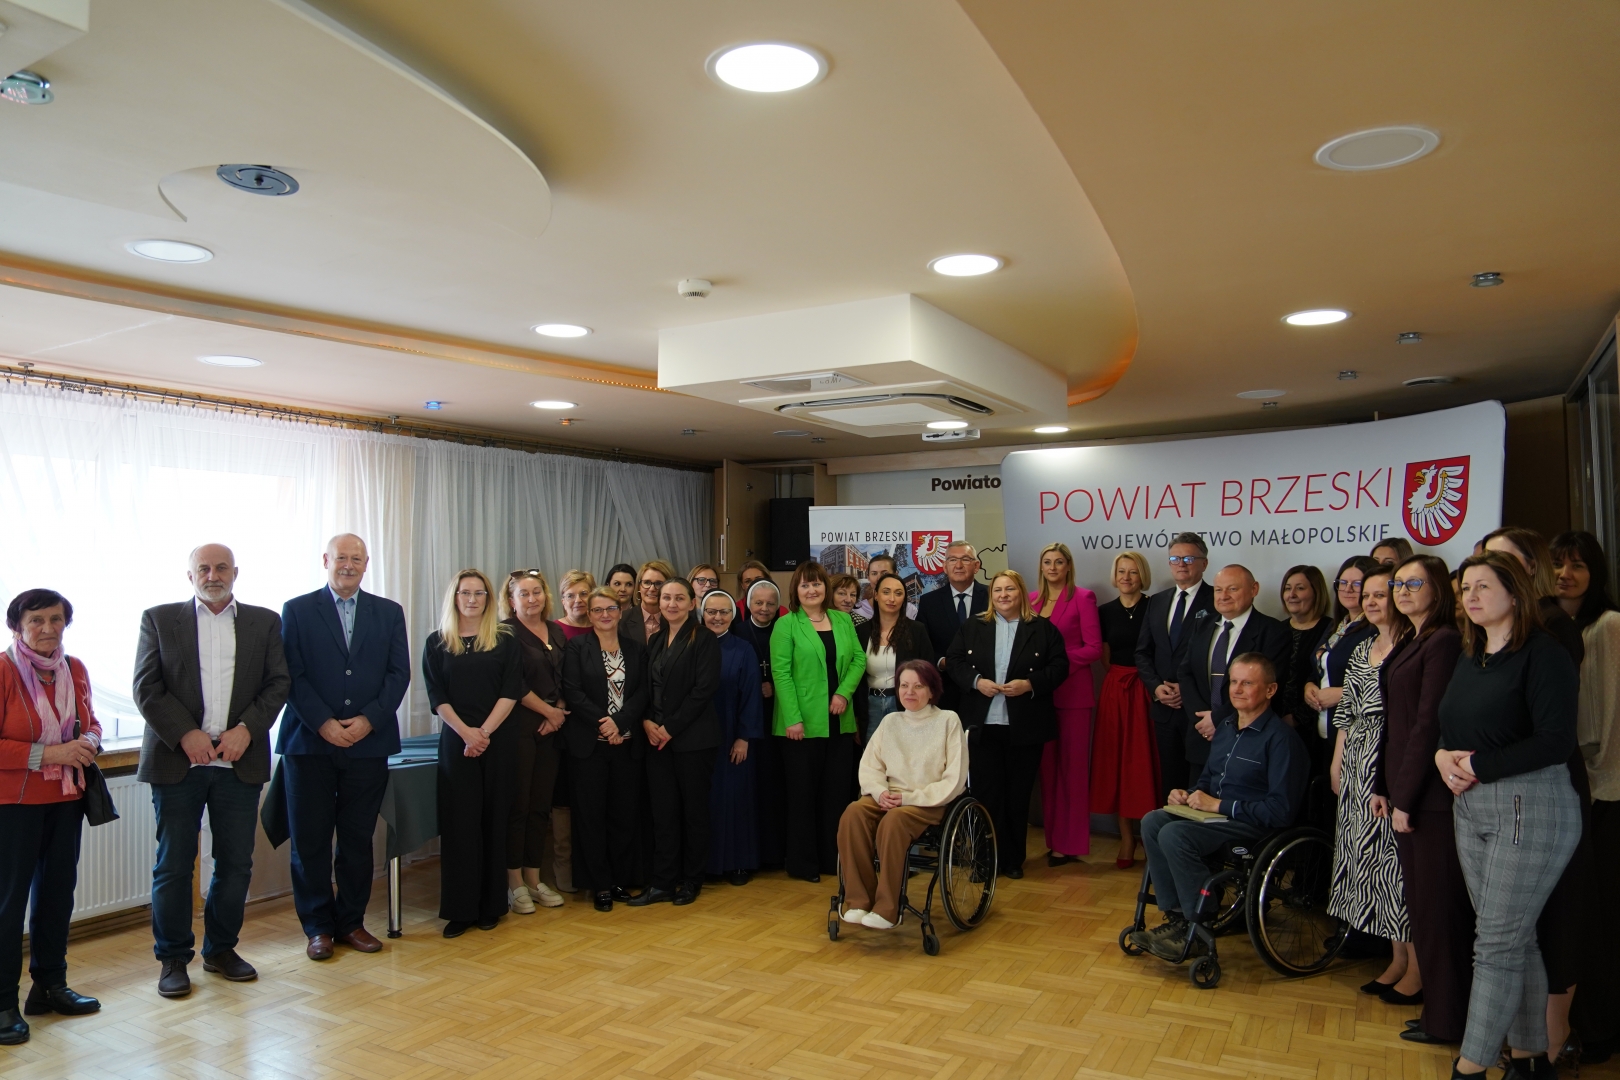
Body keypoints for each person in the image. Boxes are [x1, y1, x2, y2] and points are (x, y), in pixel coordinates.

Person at [1437, 551, 1580, 1080]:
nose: (1470, 596)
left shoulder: (1544, 654)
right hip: (1471, 807)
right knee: (1515, 940)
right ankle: (1529, 1060)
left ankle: (1470, 1067)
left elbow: (1556, 740)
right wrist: (1441, 756)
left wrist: (1476, 765)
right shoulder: (1471, 654)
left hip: (1531, 805)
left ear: (1516, 594)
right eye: (1465, 588)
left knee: (1495, 946)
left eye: (1483, 586)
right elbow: (1451, 727)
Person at [134, 543, 290, 998]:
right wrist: (186, 734)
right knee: (174, 864)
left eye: (221, 567)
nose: (212, 575)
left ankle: (221, 950)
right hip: (177, 760)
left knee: (236, 863)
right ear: (190, 576)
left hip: (239, 760)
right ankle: (173, 959)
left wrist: (246, 730)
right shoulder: (159, 619)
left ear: (235, 572)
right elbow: (146, 687)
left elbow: (278, 682)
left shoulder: (265, 621)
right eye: (203, 568)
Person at [278, 534, 410, 961]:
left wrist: (369, 720)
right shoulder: (297, 610)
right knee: (310, 841)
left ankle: (351, 922)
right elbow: (290, 675)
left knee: (357, 840)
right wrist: (324, 723)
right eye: (341, 558)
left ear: (366, 563)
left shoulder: (389, 612)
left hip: (368, 744)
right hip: (309, 743)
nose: (348, 565)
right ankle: (318, 928)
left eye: (356, 558)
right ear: (326, 560)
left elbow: (399, 674)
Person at [1485, 526, 1591, 1058]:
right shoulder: (1492, 631)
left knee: (1554, 916)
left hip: (1547, 787)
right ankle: (1523, 1041)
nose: (1487, 574)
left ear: (1530, 567)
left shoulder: (1551, 626)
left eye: (1501, 561)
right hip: (1501, 790)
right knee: (1514, 924)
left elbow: (1552, 732)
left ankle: (1552, 1039)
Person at [1130, 654, 1307, 960]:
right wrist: (1187, 794)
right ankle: (1177, 916)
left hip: (1252, 827)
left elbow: (1280, 810)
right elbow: (1208, 780)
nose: (1237, 689)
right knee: (1152, 821)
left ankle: (1199, 922)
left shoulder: (1281, 740)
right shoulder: (1225, 727)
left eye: (1247, 683)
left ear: (1270, 690)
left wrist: (1220, 805)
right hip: (1215, 817)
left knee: (1174, 834)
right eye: (1234, 682)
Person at [0, 589, 103, 1044]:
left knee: (58, 895)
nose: (48, 628)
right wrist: (52, 753)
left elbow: (91, 722)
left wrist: (90, 742)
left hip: (66, 799)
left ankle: (49, 986)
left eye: (56, 619)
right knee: (7, 905)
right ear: (17, 626)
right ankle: (2, 1002)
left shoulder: (74, 668)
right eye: (37, 620)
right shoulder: (2, 671)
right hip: (12, 805)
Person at [1382, 554, 1471, 1047]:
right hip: (1406, 790)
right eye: (1398, 583)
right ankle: (1439, 1011)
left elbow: (1426, 724)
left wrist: (1405, 797)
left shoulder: (1444, 641)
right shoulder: (1411, 640)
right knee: (1422, 910)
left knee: (1439, 913)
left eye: (1413, 583)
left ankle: (1449, 1020)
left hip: (1431, 799)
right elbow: (1393, 723)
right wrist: (1384, 786)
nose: (1402, 590)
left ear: (1438, 588)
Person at [1326, 566, 1418, 1002]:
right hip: (1356, 763)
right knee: (1369, 866)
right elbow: (1347, 710)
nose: (1372, 601)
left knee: (1396, 868)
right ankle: (1396, 959)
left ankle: (1417, 967)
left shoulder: (1413, 646)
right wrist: (1338, 761)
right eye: (1368, 595)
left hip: (1391, 760)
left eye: (1382, 594)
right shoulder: (1363, 646)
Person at [423, 569, 524, 938]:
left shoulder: (505, 640)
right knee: (459, 825)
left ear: (488, 599)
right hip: (456, 742)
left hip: (497, 741)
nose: (472, 599)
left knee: (493, 822)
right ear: (455, 597)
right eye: (465, 593)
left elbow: (511, 691)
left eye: (479, 593)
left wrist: (483, 733)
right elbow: (437, 696)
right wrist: (466, 733)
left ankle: (490, 906)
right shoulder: (437, 642)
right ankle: (460, 910)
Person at [947, 569, 1069, 878]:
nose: (1003, 595)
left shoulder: (1042, 628)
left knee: (1017, 795)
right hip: (982, 726)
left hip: (1024, 727)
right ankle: (984, 861)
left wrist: (1030, 684)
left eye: (1010, 589)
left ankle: (1013, 860)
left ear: (1021, 593)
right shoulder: (973, 626)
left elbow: (1060, 667)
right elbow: (954, 661)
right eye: (998, 590)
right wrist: (976, 681)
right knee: (986, 795)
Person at [1551, 530, 1620, 1064]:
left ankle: (1601, 1033)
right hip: (1570, 787)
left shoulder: (1608, 625)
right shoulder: (1556, 627)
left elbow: (1605, 722)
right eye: (1558, 564)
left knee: (1600, 918)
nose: (1565, 574)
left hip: (1603, 791)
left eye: (1577, 565)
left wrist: (1591, 783)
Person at [837, 660, 968, 929]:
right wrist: (880, 792)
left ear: (931, 691)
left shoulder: (948, 720)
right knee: (853, 814)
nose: (909, 692)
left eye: (918, 686)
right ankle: (859, 900)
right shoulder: (890, 721)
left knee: (893, 822)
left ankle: (887, 908)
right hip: (888, 795)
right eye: (904, 685)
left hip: (927, 800)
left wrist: (909, 798)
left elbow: (954, 779)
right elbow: (870, 766)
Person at [770, 560, 866, 882]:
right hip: (799, 727)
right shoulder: (786, 624)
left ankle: (831, 860)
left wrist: (843, 693)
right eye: (805, 585)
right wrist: (793, 719)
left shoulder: (842, 619)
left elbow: (858, 659)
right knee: (802, 797)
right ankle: (802, 864)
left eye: (817, 583)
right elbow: (781, 674)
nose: (812, 590)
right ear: (796, 591)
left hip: (838, 721)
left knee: (835, 795)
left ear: (826, 587)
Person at [632, 578, 721, 906]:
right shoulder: (656, 639)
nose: (671, 604)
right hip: (657, 740)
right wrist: (646, 721)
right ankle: (663, 883)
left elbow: (703, 690)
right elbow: (646, 687)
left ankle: (692, 880)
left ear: (691, 603)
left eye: (679, 598)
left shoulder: (704, 638)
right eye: (666, 598)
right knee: (663, 814)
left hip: (693, 741)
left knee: (693, 813)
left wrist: (669, 728)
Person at [562, 588, 649, 912]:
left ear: (620, 611)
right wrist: (605, 723)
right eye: (597, 610)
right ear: (589, 614)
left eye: (610, 608)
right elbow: (572, 691)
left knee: (623, 816)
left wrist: (620, 722)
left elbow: (643, 692)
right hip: (590, 747)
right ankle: (599, 884)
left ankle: (618, 880)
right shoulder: (576, 647)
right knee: (591, 817)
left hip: (627, 746)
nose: (605, 615)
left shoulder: (636, 649)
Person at [1177, 565, 1291, 780]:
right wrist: (1202, 719)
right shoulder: (1202, 625)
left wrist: (1217, 719)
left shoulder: (1273, 632)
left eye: (1232, 589)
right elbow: (1186, 673)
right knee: (1197, 798)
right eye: (1218, 590)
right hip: (1201, 736)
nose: (1224, 596)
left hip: (1247, 743)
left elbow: (1267, 688)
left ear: (1254, 589)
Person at [498, 569, 569, 915]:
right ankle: (514, 882)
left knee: (541, 806)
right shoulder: (505, 633)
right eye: (524, 594)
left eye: (536, 592)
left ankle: (533, 877)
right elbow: (513, 683)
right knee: (519, 806)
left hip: (552, 730)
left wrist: (558, 711)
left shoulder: (556, 630)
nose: (532, 599)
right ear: (511, 601)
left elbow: (566, 677)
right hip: (519, 729)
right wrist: (549, 712)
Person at [1031, 542, 1103, 867]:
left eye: (1059, 562)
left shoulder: (1083, 598)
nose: (1053, 567)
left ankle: (1070, 844)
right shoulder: (1032, 600)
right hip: (1040, 696)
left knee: (1072, 771)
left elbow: (1094, 648)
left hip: (1073, 694)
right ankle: (1053, 841)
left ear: (1068, 566)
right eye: (1047, 562)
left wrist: (1056, 665)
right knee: (1048, 771)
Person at [1134, 533, 1217, 801]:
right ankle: (1168, 828)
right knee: (1169, 785)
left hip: (1200, 711)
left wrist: (1187, 688)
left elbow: (1218, 655)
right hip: (1164, 709)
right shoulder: (1157, 601)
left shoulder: (1217, 600)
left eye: (1189, 558)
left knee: (1199, 784)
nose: (1181, 564)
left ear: (1204, 563)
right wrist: (1156, 687)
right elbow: (1142, 652)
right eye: (1175, 558)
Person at [1092, 552, 1160, 870]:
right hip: (1116, 690)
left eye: (1133, 572)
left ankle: (1150, 835)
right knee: (1117, 761)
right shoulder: (1104, 612)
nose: (1127, 577)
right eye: (1121, 571)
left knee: (1146, 762)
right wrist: (1121, 680)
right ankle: (1126, 839)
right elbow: (1105, 657)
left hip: (1147, 689)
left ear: (1142, 575)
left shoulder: (1156, 607)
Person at [700, 591, 764, 886]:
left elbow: (751, 696)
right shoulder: (692, 645)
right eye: (711, 612)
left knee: (736, 799)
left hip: (732, 737)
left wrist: (744, 737)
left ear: (733, 615)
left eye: (724, 612)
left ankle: (739, 862)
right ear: (702, 614)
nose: (717, 617)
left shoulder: (743, 648)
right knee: (705, 802)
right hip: (697, 737)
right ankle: (706, 864)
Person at [1303, 556, 1383, 781]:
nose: (1348, 589)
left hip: (1353, 733)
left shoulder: (1376, 629)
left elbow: (1380, 683)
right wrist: (1309, 686)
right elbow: (1319, 668)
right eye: (1343, 583)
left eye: (1357, 584)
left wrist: (1341, 694)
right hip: (1321, 729)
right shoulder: (1337, 625)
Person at [739, 579, 787, 870]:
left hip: (778, 717)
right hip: (748, 719)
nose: (764, 608)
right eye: (758, 603)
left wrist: (774, 688)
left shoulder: (785, 630)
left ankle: (775, 853)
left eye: (771, 603)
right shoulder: (739, 631)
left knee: (775, 785)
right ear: (748, 604)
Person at [854, 572, 933, 742]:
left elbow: (929, 673)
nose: (892, 599)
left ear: (904, 598)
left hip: (907, 704)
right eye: (886, 592)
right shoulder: (861, 631)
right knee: (874, 756)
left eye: (898, 593)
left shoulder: (916, 630)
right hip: (871, 705)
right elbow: (855, 676)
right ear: (876, 595)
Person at [916, 541, 988, 711]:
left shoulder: (993, 597)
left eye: (965, 559)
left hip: (985, 688)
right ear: (945, 566)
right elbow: (922, 645)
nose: (959, 565)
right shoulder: (929, 602)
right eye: (952, 560)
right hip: (944, 690)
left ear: (976, 566)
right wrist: (941, 662)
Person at [1276, 565, 1332, 730]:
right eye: (1287, 588)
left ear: (1316, 592)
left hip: (1316, 724)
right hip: (1275, 724)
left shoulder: (1332, 630)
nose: (1292, 594)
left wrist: (1297, 718)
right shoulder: (1276, 630)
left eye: (1300, 588)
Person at [622, 559, 673, 646]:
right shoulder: (622, 619)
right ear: (639, 586)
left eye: (659, 583)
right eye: (647, 582)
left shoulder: (675, 619)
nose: (652, 589)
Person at [854, 552, 917, 621]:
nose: (879, 578)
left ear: (895, 575)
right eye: (874, 573)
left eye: (884, 573)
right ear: (868, 577)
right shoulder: (857, 610)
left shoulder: (910, 611)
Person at [556, 569, 596, 640]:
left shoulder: (601, 627)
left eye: (583, 594)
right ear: (563, 602)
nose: (578, 600)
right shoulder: (553, 629)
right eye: (570, 596)